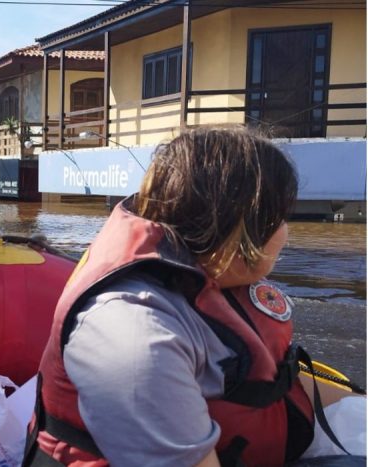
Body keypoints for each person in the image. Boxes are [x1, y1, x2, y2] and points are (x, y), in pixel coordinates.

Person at [25, 126, 315, 467]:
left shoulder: (205, 273)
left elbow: (279, 377)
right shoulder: (134, 336)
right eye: (281, 218)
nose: (286, 231)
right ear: (241, 231)